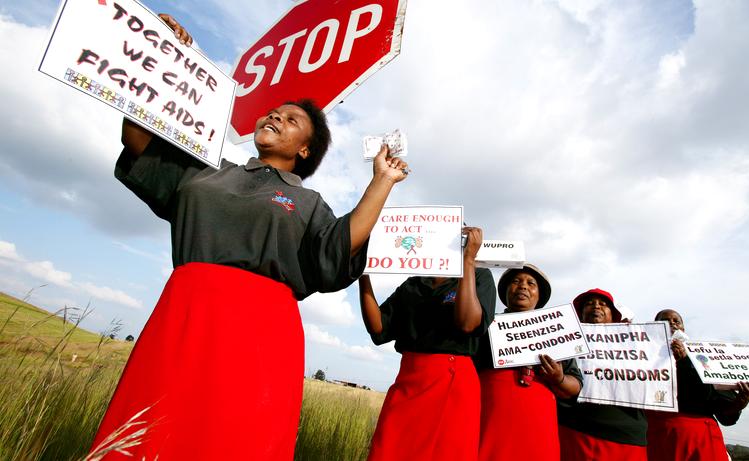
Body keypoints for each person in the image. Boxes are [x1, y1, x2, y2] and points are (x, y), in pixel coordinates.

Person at [89, 15, 410, 461]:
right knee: (148, 430)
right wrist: (164, 61)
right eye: (275, 110)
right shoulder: (207, 172)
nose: (276, 114)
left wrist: (382, 180)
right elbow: (140, 140)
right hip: (185, 315)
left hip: (261, 332)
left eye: (292, 118)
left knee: (235, 440)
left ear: (304, 151)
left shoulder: (310, 202)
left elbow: (341, 247)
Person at [358, 227, 495, 461]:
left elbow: (467, 323)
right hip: (409, 379)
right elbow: (378, 327)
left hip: (452, 382)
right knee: (387, 450)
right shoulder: (414, 283)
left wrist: (468, 262)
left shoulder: (479, 276)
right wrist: (362, 274)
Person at [474, 263, 583, 461]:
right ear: (505, 291)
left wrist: (558, 379)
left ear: (539, 295)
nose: (523, 286)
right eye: (516, 281)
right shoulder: (486, 326)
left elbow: (575, 386)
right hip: (491, 419)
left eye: (531, 283)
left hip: (539, 424)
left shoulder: (558, 332)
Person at [647, 309, 749, 461]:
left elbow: (722, 411)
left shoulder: (704, 358)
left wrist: (739, 403)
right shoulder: (643, 360)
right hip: (659, 438)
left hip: (700, 440)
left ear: (683, 329)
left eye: (676, 321)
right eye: (664, 321)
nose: (672, 324)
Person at [557, 288, 649, 460]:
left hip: (625, 436)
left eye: (603, 304)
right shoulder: (564, 342)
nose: (596, 306)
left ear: (613, 315)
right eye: (589, 304)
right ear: (581, 314)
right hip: (577, 431)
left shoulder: (635, 345)